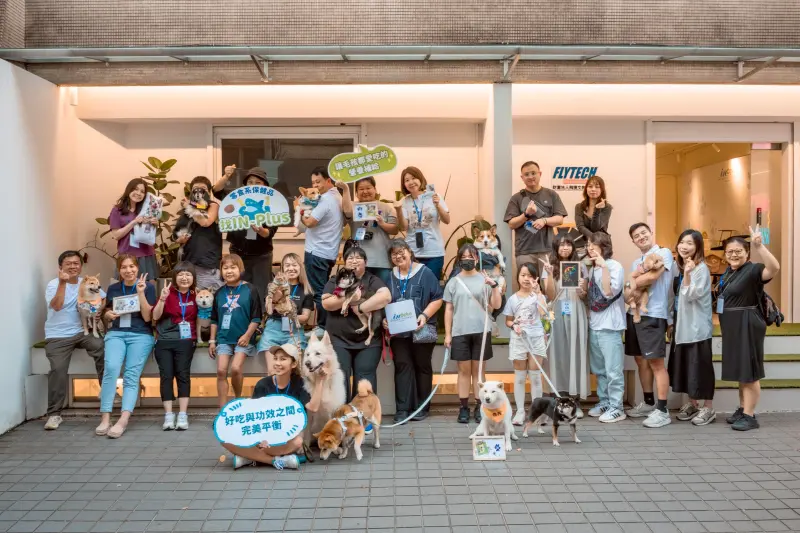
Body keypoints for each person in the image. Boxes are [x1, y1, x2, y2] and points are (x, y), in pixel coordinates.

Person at [226, 344, 327, 470]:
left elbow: (314, 407)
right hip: (265, 434)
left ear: (293, 364)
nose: (277, 363)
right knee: (225, 438)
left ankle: (249, 457)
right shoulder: (263, 384)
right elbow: (255, 417)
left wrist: (320, 380)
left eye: (283, 359)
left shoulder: (300, 383)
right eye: (275, 358)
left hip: (288, 436)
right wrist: (260, 437)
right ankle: (277, 460)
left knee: (297, 442)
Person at [719, 227, 779, 431]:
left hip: (748, 323)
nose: (734, 255)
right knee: (741, 370)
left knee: (749, 371)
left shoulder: (753, 270)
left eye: (738, 251)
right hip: (733, 325)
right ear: (725, 254)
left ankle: (750, 416)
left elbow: (774, 268)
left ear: (746, 252)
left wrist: (759, 246)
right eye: (730, 252)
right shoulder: (729, 272)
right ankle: (743, 408)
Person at [42, 251, 106, 430]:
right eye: (68, 263)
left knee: (102, 347)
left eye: (76, 263)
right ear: (60, 267)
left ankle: (106, 392)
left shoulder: (85, 282)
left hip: (82, 331)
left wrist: (99, 309)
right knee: (58, 369)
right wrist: (63, 283)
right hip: (58, 335)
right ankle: (54, 414)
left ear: (81, 266)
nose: (72, 266)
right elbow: (56, 305)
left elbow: (103, 296)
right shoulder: (53, 284)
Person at [97, 254, 157, 438]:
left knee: (131, 374)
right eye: (124, 267)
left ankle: (123, 419)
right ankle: (105, 418)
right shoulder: (114, 288)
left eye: (132, 266)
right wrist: (107, 315)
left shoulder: (149, 287)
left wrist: (140, 292)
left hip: (140, 334)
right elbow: (106, 310)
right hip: (116, 333)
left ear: (137, 268)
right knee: (111, 369)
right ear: (119, 270)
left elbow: (148, 317)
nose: (128, 270)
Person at [384, 239, 443, 423]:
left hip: (422, 329)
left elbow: (438, 298)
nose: (398, 256)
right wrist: (385, 320)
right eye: (394, 254)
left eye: (402, 251)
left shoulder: (425, 273)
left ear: (410, 252)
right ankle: (402, 408)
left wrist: (424, 316)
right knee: (402, 366)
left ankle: (422, 407)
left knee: (422, 366)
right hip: (398, 333)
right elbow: (382, 300)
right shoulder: (389, 276)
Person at [443, 243, 502, 424]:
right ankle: (463, 408)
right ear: (459, 260)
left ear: (477, 258)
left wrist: (494, 286)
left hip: (481, 331)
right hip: (460, 331)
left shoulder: (485, 278)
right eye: (464, 257)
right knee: (463, 371)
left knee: (479, 371)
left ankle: (479, 406)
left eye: (471, 257)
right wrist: (447, 334)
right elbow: (449, 309)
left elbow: (497, 306)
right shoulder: (453, 282)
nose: (467, 260)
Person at [322, 247, 392, 399]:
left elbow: (385, 297)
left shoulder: (372, 280)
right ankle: (342, 416)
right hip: (338, 339)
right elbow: (326, 303)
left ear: (366, 262)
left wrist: (360, 307)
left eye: (358, 258)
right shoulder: (336, 280)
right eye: (350, 258)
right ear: (345, 263)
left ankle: (364, 417)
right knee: (339, 378)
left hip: (368, 342)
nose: (354, 261)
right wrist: (350, 298)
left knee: (365, 379)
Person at [624, 222, 675, 428]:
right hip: (634, 313)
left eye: (644, 233)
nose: (641, 237)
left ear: (651, 233)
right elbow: (627, 294)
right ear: (633, 241)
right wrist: (632, 284)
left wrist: (632, 282)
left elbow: (654, 276)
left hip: (653, 314)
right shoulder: (636, 261)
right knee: (640, 360)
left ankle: (663, 410)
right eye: (636, 236)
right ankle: (648, 402)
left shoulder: (664, 252)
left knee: (656, 363)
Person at [668, 230, 716, 426]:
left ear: (697, 247)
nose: (684, 246)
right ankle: (693, 403)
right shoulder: (682, 267)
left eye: (689, 243)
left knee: (701, 368)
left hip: (697, 329)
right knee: (688, 367)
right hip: (683, 327)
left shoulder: (701, 269)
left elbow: (691, 295)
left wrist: (687, 274)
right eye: (681, 242)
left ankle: (708, 408)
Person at [209, 254, 263, 409]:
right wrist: (212, 341)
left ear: (241, 269)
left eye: (233, 267)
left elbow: (256, 317)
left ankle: (238, 400)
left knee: (236, 368)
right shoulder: (219, 292)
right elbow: (214, 319)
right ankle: (223, 409)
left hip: (243, 339)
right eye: (225, 268)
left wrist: (247, 336)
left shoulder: (250, 289)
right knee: (220, 370)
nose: (229, 271)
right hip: (224, 338)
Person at [543, 235, 590, 412]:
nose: (565, 248)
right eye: (561, 244)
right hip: (558, 309)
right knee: (558, 351)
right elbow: (550, 294)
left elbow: (583, 293)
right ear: (556, 247)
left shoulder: (582, 267)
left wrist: (580, 289)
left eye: (568, 244)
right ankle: (559, 395)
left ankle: (575, 397)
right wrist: (548, 273)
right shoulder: (549, 266)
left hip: (575, 310)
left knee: (575, 351)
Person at [584, 232, 627, 423]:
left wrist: (604, 267)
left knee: (613, 369)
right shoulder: (592, 269)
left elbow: (609, 292)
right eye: (588, 244)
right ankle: (605, 401)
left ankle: (617, 407)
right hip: (595, 324)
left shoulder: (614, 266)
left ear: (604, 246)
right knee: (599, 369)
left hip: (610, 326)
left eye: (593, 244)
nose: (589, 247)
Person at [152, 262, 198, 431]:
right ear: (175, 277)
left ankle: (183, 415)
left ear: (193, 278)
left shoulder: (196, 295)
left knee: (183, 375)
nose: (184, 277)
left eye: (188, 274)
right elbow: (155, 316)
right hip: (164, 341)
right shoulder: (167, 293)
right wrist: (162, 299)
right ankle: (168, 415)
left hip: (186, 340)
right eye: (180, 274)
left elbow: (205, 318)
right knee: (166, 376)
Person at [504, 161, 568, 278]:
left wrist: (544, 221)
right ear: (522, 177)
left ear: (540, 174)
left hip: (547, 250)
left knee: (549, 287)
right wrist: (526, 214)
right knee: (527, 285)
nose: (530, 177)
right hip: (524, 251)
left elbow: (559, 219)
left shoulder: (551, 194)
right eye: (527, 174)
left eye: (533, 173)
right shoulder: (516, 198)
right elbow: (511, 224)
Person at [504, 262, 549, 426]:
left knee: (536, 377)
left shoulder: (539, 296)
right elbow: (507, 321)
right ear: (517, 277)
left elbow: (544, 313)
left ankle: (536, 412)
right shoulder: (512, 299)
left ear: (535, 278)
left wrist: (538, 293)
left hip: (536, 338)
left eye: (530, 275)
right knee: (520, 377)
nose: (526, 279)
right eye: (523, 275)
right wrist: (513, 325)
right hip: (519, 339)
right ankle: (520, 411)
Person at [301, 167, 344, 331]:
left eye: (318, 182)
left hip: (316, 252)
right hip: (329, 252)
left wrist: (299, 208)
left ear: (328, 181)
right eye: (313, 183)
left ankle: (323, 326)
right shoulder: (337, 196)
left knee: (320, 292)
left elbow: (310, 222)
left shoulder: (325, 199)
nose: (315, 186)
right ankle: (327, 325)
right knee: (325, 289)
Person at [226, 167, 278, 301]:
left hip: (261, 255)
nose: (253, 186)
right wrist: (226, 176)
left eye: (258, 183)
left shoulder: (273, 205)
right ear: (245, 186)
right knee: (237, 288)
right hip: (238, 253)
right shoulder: (235, 200)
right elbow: (216, 191)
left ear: (265, 186)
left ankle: (260, 320)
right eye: (250, 182)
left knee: (261, 291)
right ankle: (239, 317)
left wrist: (260, 230)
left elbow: (269, 232)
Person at [257, 253, 314, 373]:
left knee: (293, 371)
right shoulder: (274, 287)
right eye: (287, 265)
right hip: (273, 328)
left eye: (294, 265)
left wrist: (288, 314)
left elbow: (305, 317)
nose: (291, 268)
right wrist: (276, 299)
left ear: (300, 268)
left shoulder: (306, 290)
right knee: (272, 371)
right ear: (282, 268)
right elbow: (268, 311)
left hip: (294, 330)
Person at [394, 166, 450, 281]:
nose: (411, 182)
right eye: (407, 180)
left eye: (413, 178)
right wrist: (399, 210)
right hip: (412, 253)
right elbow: (404, 227)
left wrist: (437, 205)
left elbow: (447, 220)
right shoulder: (404, 201)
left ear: (420, 179)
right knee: (414, 286)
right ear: (404, 184)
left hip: (434, 251)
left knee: (432, 286)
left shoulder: (434, 196)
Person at [342, 177, 399, 286]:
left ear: (375, 189)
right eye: (361, 189)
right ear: (357, 193)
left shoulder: (385, 207)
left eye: (368, 188)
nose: (365, 191)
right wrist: (345, 188)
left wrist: (382, 224)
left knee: (383, 292)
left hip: (382, 261)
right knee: (359, 293)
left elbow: (395, 230)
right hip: (358, 261)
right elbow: (347, 212)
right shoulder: (353, 207)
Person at [174, 176, 223, 290]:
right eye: (195, 188)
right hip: (189, 261)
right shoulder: (186, 209)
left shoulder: (213, 205)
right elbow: (177, 233)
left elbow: (205, 222)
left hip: (207, 262)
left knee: (208, 299)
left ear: (209, 191)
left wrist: (189, 207)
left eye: (203, 188)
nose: (199, 191)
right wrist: (180, 239)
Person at [109, 178, 159, 280]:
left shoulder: (146, 210)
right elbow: (116, 235)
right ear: (129, 190)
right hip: (127, 256)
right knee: (126, 290)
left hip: (146, 254)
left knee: (146, 288)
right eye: (135, 189)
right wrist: (134, 222)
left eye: (142, 191)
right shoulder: (117, 210)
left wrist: (155, 224)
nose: (138, 193)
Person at [574, 175, 612, 244]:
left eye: (597, 187)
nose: (593, 189)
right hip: (583, 242)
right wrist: (593, 238)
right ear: (586, 189)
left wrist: (597, 209)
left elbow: (596, 228)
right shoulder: (579, 206)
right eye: (590, 186)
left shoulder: (607, 207)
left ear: (602, 190)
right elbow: (580, 226)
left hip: (601, 243)